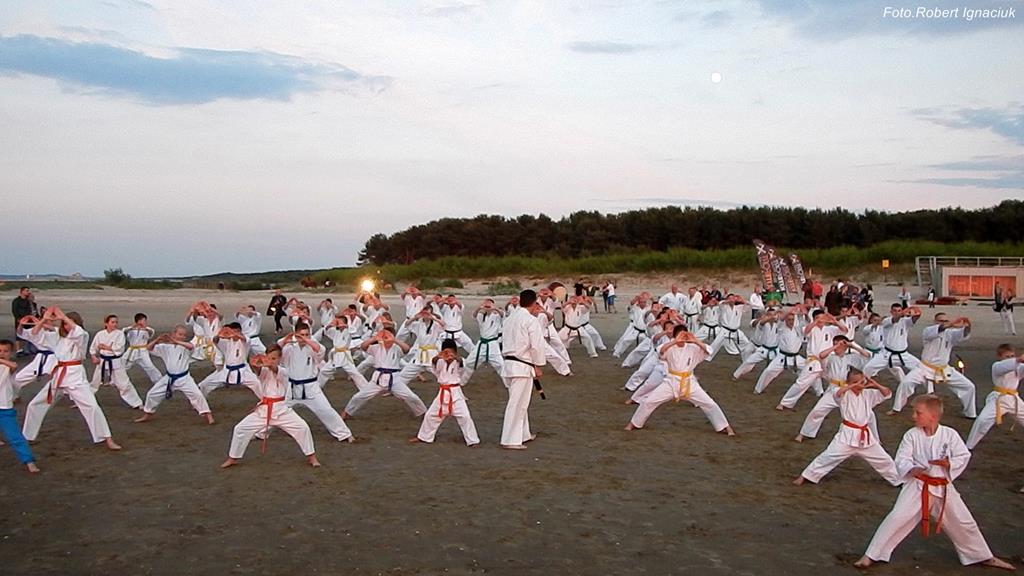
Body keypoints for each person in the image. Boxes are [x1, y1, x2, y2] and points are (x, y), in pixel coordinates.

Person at [853, 395, 1014, 571]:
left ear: (933, 416)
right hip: (917, 486)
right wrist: (913, 469)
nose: (913, 416)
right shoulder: (911, 435)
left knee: (964, 522)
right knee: (897, 517)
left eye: (918, 413)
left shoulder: (949, 434)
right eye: (914, 412)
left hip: (943, 487)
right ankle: (871, 555)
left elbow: (963, 455)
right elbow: (902, 459)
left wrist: (949, 463)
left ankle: (983, 556)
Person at [21, 307, 121, 450]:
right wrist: (43, 320)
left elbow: (77, 332)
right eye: (65, 324)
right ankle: (27, 436)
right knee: (35, 404)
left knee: (92, 406)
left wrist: (63, 317)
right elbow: (34, 335)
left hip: (75, 376)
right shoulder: (58, 336)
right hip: (59, 376)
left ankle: (107, 438)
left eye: (69, 323)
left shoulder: (83, 336)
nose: (67, 326)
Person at [793, 369, 899, 486]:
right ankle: (806, 475)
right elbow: (837, 393)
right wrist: (852, 386)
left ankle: (898, 480)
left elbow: (887, 393)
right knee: (829, 456)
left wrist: (875, 384)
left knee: (884, 459)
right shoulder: (844, 394)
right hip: (846, 435)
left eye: (861, 382)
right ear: (848, 383)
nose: (859, 385)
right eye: (855, 382)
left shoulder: (869, 394)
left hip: (865, 437)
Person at [625, 325, 735, 436]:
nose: (682, 338)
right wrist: (675, 341)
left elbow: (709, 351)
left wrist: (695, 340)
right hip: (671, 382)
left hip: (689, 383)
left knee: (709, 403)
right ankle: (634, 423)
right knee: (649, 401)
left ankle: (725, 426)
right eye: (680, 335)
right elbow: (660, 351)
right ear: (675, 336)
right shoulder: (669, 346)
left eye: (684, 335)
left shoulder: (693, 348)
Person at [221, 345, 320, 469]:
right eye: (269, 358)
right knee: (240, 429)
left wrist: (268, 364)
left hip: (281, 410)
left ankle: (312, 457)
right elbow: (257, 370)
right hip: (264, 410)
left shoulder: (284, 371)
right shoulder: (264, 371)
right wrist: (255, 363)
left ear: (280, 359)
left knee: (303, 428)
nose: (271, 361)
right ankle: (233, 458)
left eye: (274, 359)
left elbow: (274, 369)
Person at [890, 313, 976, 418]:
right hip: (925, 368)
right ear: (935, 321)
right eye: (941, 321)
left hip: (944, 369)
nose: (943, 323)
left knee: (969, 386)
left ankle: (970, 413)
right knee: (906, 383)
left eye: (945, 321)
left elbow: (964, 334)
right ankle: (896, 408)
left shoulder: (951, 334)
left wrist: (967, 326)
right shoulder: (929, 331)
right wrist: (951, 324)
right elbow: (941, 328)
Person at [277, 324, 353, 443]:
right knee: (277, 410)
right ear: (296, 335)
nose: (304, 337)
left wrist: (306, 339)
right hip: (292, 388)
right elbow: (276, 349)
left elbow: (320, 349)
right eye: (301, 335)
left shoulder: (313, 347)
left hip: (311, 387)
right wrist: (287, 338)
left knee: (326, 410)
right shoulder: (289, 348)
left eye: (307, 335)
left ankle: (344, 434)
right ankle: (261, 433)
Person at [134, 325, 214, 424]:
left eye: (184, 335)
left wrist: (175, 341)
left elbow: (191, 346)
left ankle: (208, 415)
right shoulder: (165, 347)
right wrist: (157, 340)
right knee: (152, 394)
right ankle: (148, 414)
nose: (182, 337)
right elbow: (149, 348)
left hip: (184, 378)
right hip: (169, 378)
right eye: (180, 334)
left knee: (197, 395)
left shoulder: (185, 347)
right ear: (173, 334)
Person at [342, 327, 427, 419]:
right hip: (378, 379)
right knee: (359, 396)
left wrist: (394, 340)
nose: (386, 338)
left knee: (411, 397)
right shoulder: (376, 347)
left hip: (394, 379)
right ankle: (347, 413)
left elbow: (407, 349)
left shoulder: (397, 348)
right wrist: (374, 338)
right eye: (384, 336)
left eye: (388, 336)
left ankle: (423, 413)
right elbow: (363, 346)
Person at [499, 289, 547, 450]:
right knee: (517, 404)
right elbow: (537, 345)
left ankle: (523, 434)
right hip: (521, 366)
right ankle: (510, 440)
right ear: (534, 303)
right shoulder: (531, 320)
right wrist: (538, 365)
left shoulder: (509, 319)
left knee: (520, 402)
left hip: (508, 365)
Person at [410, 339, 479, 446]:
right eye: (446, 351)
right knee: (430, 415)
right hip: (442, 392)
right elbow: (434, 366)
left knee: (465, 416)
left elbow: (463, 366)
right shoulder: (439, 361)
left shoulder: (461, 361)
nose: (448, 354)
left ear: (455, 351)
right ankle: (424, 437)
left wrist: (454, 357)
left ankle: (473, 440)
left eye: (451, 351)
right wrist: (439, 356)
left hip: (456, 393)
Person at [965, 343, 1024, 449]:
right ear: (1000, 357)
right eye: (1007, 356)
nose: (1010, 358)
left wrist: (1019, 361)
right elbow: (1005, 366)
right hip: (998, 399)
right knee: (982, 420)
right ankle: (969, 446)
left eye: (1012, 356)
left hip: (1014, 399)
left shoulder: (1018, 368)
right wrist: (1018, 359)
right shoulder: (997, 366)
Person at [88, 314, 144, 409]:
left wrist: (105, 347)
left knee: (124, 384)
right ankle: (84, 401)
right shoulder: (100, 334)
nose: (115, 324)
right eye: (112, 322)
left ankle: (137, 403)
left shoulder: (119, 334)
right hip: (102, 361)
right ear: (106, 323)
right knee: (94, 383)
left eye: (116, 322)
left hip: (116, 361)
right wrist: (93, 356)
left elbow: (119, 348)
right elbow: (94, 347)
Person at [0, 339, 39, 473]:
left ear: (11, 353)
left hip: (4, 407)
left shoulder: (8, 367)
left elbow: (13, 366)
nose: (2, 353)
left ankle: (29, 461)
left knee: (15, 436)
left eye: (5, 351)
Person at [461, 299, 504, 385]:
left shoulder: (497, 316)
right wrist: (480, 307)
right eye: (486, 304)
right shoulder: (481, 316)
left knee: (500, 365)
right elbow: (474, 315)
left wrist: (494, 308)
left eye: (489, 304)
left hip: (493, 344)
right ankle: (461, 382)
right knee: (469, 362)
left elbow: (502, 314)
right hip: (481, 343)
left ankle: (509, 384)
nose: (487, 305)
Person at [123, 313, 163, 385]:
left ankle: (159, 380)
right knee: (122, 365)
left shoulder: (147, 330)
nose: (145, 322)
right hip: (132, 351)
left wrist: (144, 328)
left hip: (143, 351)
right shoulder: (130, 330)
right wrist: (133, 327)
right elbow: (123, 332)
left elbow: (152, 333)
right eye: (144, 320)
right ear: (138, 321)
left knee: (149, 366)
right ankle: (115, 379)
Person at [11, 286, 35, 356]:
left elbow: (31, 309)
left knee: (27, 333)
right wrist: (18, 319)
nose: (28, 292)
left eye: (28, 291)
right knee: (19, 334)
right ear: (22, 291)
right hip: (20, 320)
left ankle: (26, 349)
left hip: (28, 320)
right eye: (27, 291)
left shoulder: (28, 301)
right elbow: (14, 310)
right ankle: (18, 350)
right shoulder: (16, 301)